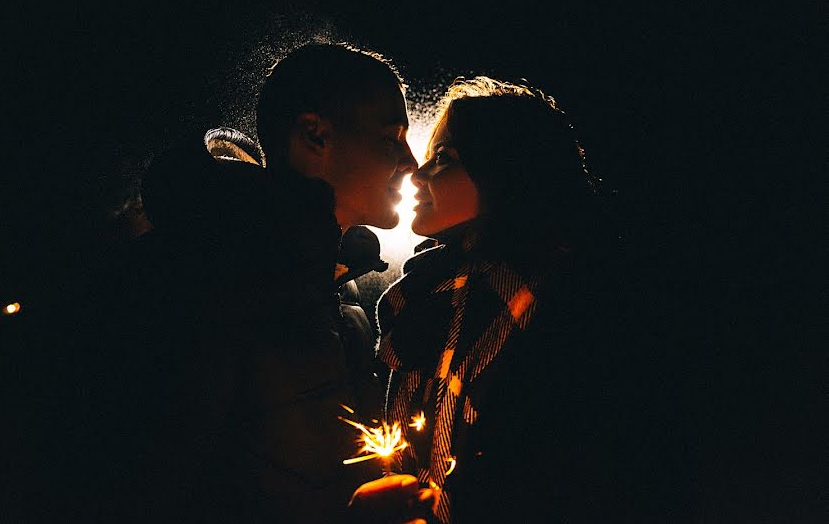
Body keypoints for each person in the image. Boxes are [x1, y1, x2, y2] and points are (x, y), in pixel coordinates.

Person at [69, 43, 418, 522]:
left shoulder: (339, 290)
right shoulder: (197, 282)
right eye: (391, 138)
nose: (411, 163)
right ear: (315, 136)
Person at [351, 77, 643, 522]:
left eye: (443, 158)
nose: (418, 172)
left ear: (504, 170)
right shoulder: (426, 300)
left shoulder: (572, 305)